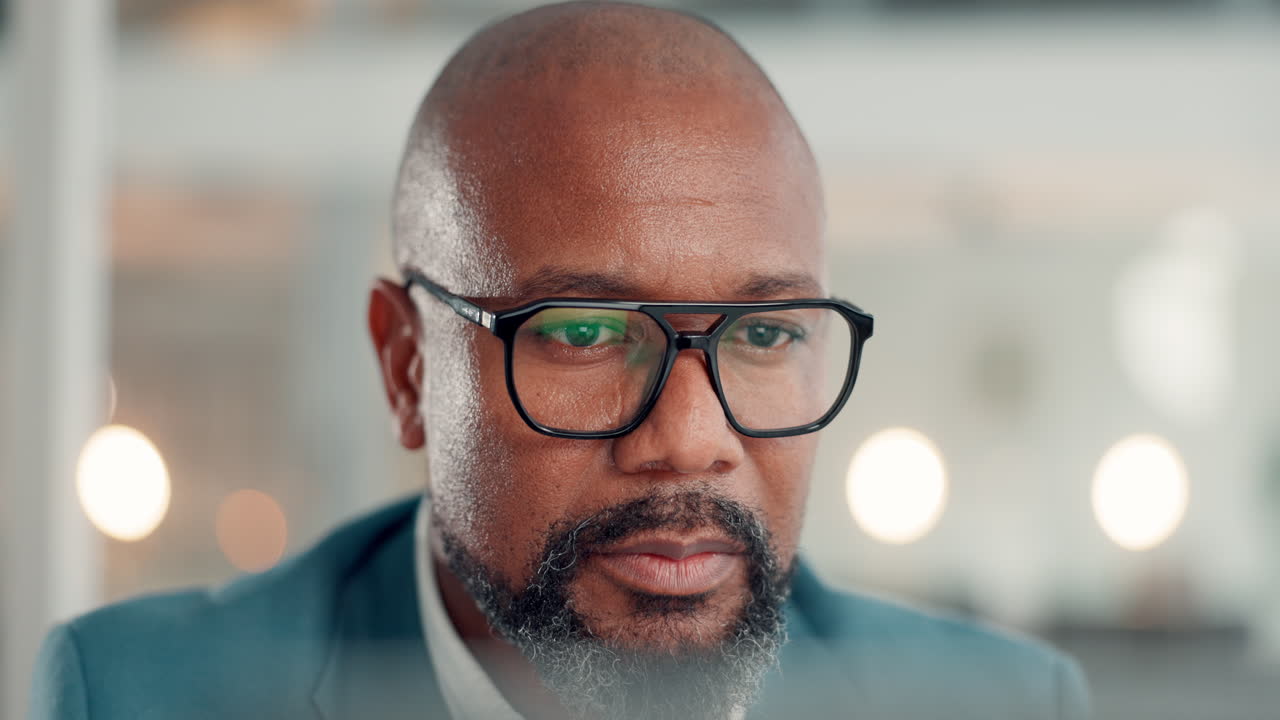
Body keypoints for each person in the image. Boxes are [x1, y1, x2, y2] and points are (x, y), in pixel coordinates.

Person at [28, 2, 1089, 719]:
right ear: (406, 368)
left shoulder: (1002, 704)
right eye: (582, 332)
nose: (687, 440)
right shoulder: (135, 697)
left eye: (763, 334)